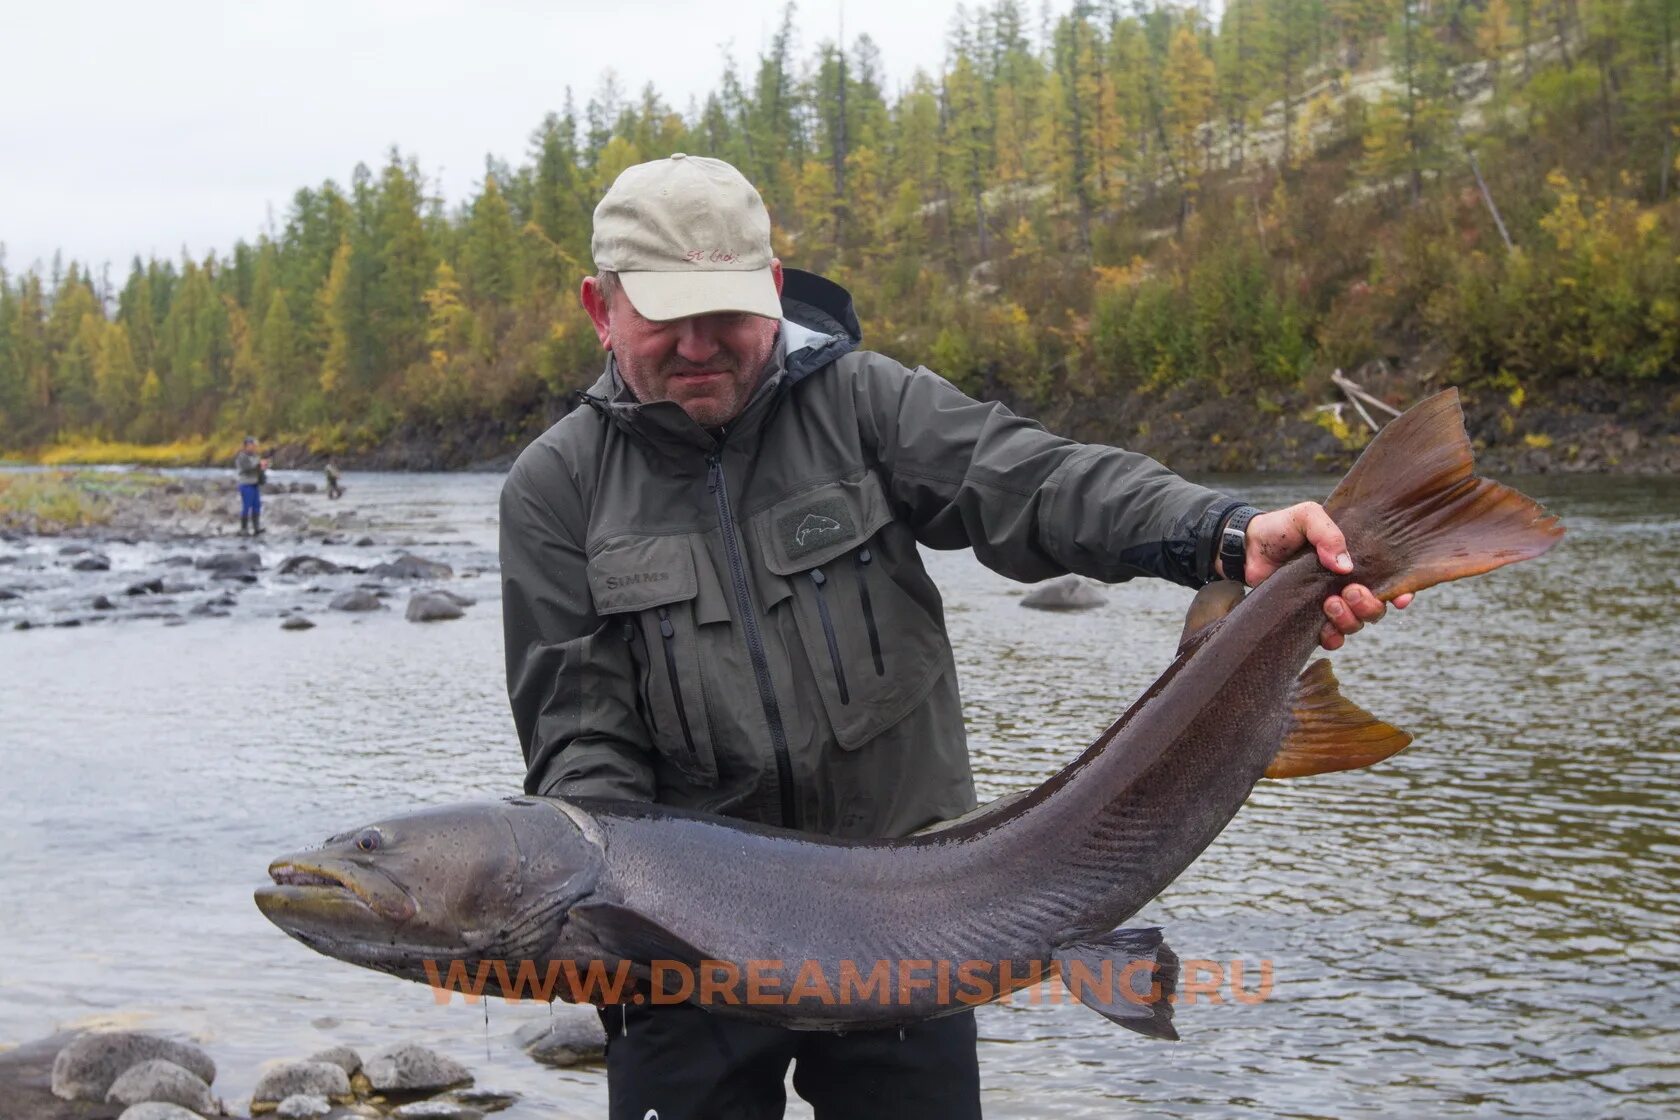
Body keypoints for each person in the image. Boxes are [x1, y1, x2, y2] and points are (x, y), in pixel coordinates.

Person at [499, 155, 1408, 1120]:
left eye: (723, 310)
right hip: (686, 952)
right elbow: (579, 737)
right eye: (664, 314)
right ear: (601, 309)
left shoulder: (863, 404)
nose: (698, 344)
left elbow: (1038, 483)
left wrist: (1223, 536)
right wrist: (598, 922)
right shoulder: (556, 493)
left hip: (919, 916)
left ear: (772, 289)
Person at [234, 436, 268, 536]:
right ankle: (243, 528)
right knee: (246, 506)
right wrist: (259, 464)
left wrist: (263, 467)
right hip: (246, 484)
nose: (253, 447)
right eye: (251, 445)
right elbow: (248, 468)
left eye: (254, 445)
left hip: (255, 484)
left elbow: (258, 469)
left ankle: (256, 528)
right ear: (246, 446)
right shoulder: (241, 457)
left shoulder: (255, 456)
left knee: (256, 506)